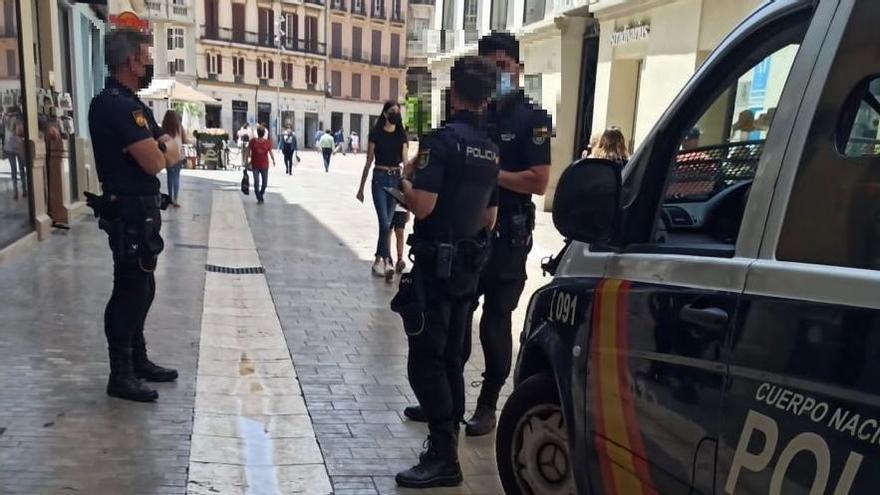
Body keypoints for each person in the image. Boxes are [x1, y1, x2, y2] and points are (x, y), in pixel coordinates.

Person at [402, 32, 553, 436]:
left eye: (503, 65)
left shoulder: (531, 118)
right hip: (466, 233)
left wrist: (481, 172)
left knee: (494, 321)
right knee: (455, 320)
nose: (497, 73)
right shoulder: (473, 115)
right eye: (490, 66)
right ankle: (446, 403)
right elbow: (426, 163)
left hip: (506, 235)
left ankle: (487, 404)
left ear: (517, 69)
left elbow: (538, 181)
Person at [392, 55, 499, 489]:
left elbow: (424, 205)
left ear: (453, 92)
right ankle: (448, 436)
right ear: (487, 97)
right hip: (468, 269)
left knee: (426, 363)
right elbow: (490, 217)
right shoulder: (492, 150)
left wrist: (403, 183)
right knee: (453, 355)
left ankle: (443, 455)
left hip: (436, 267)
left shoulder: (441, 141)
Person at [87, 28, 180, 402]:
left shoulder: (133, 104)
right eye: (146, 57)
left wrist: (164, 148)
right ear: (131, 61)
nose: (149, 63)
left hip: (141, 211)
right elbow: (159, 159)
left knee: (144, 287)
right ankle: (121, 373)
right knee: (129, 290)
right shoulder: (115, 105)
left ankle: (138, 360)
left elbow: (172, 145)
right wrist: (163, 149)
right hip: (127, 211)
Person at [355, 101, 409, 279]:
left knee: (386, 224)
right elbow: (369, 160)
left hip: (395, 179)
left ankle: (378, 260)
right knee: (385, 223)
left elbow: (406, 162)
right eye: (393, 111)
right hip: (379, 178)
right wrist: (361, 188)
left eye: (398, 111)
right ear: (385, 114)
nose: (396, 114)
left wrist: (407, 186)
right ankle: (387, 262)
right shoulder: (376, 133)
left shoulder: (402, 135)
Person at [161, 110, 187, 207]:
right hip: (178, 154)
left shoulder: (164, 128)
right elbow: (184, 140)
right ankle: (175, 199)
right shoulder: (179, 128)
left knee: (169, 177)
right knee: (176, 177)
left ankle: (170, 198)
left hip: (168, 154)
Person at [248, 125, 275, 203]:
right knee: (263, 183)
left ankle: (259, 195)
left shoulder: (266, 142)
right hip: (259, 165)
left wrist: (247, 159)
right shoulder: (253, 141)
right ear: (263, 133)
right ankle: (259, 198)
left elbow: (248, 151)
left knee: (259, 183)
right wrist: (273, 160)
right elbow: (270, 152)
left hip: (262, 165)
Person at [4, 106, 25, 199]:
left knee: (13, 170)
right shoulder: (19, 119)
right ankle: (24, 189)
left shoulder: (5, 118)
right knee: (21, 169)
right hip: (19, 146)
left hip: (9, 146)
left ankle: (15, 191)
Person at [390, 203, 409, 273]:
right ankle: (388, 257)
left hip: (402, 207)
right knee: (388, 232)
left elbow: (407, 193)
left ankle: (400, 259)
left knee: (400, 233)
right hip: (389, 205)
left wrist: (408, 210)